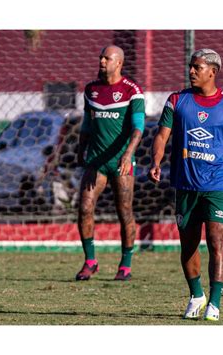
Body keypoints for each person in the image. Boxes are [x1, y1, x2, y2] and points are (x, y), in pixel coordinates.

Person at [148, 49, 223, 321]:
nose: (191, 71)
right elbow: (162, 136)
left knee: (217, 241)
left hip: (218, 185)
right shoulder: (177, 101)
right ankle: (197, 295)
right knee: (189, 246)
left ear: (213, 72)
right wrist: (156, 161)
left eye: (197, 67)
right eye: (190, 66)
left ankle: (215, 304)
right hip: (185, 185)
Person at [75, 45, 145, 281]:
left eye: (108, 58)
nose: (102, 61)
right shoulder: (91, 90)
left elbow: (138, 129)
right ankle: (90, 261)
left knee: (124, 211)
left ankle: (125, 264)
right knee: (84, 207)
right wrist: (80, 150)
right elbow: (86, 125)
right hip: (96, 161)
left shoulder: (132, 91)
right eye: (101, 57)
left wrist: (128, 155)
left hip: (121, 163)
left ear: (119, 63)